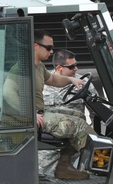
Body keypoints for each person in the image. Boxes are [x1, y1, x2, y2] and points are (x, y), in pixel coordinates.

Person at [4, 31, 92, 181]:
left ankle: (64, 167)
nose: (52, 51)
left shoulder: (38, 66)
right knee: (81, 126)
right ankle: (99, 165)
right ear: (36, 46)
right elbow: (8, 91)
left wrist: (71, 80)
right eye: (49, 48)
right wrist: (30, 114)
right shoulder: (23, 67)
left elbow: (52, 79)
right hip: (30, 118)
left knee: (78, 116)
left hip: (39, 113)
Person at [39, 49, 95, 177]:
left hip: (74, 138)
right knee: (42, 174)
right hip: (48, 138)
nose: (76, 69)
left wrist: (91, 132)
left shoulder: (83, 83)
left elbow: (95, 111)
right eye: (71, 67)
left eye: (76, 65)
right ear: (59, 68)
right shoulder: (43, 82)